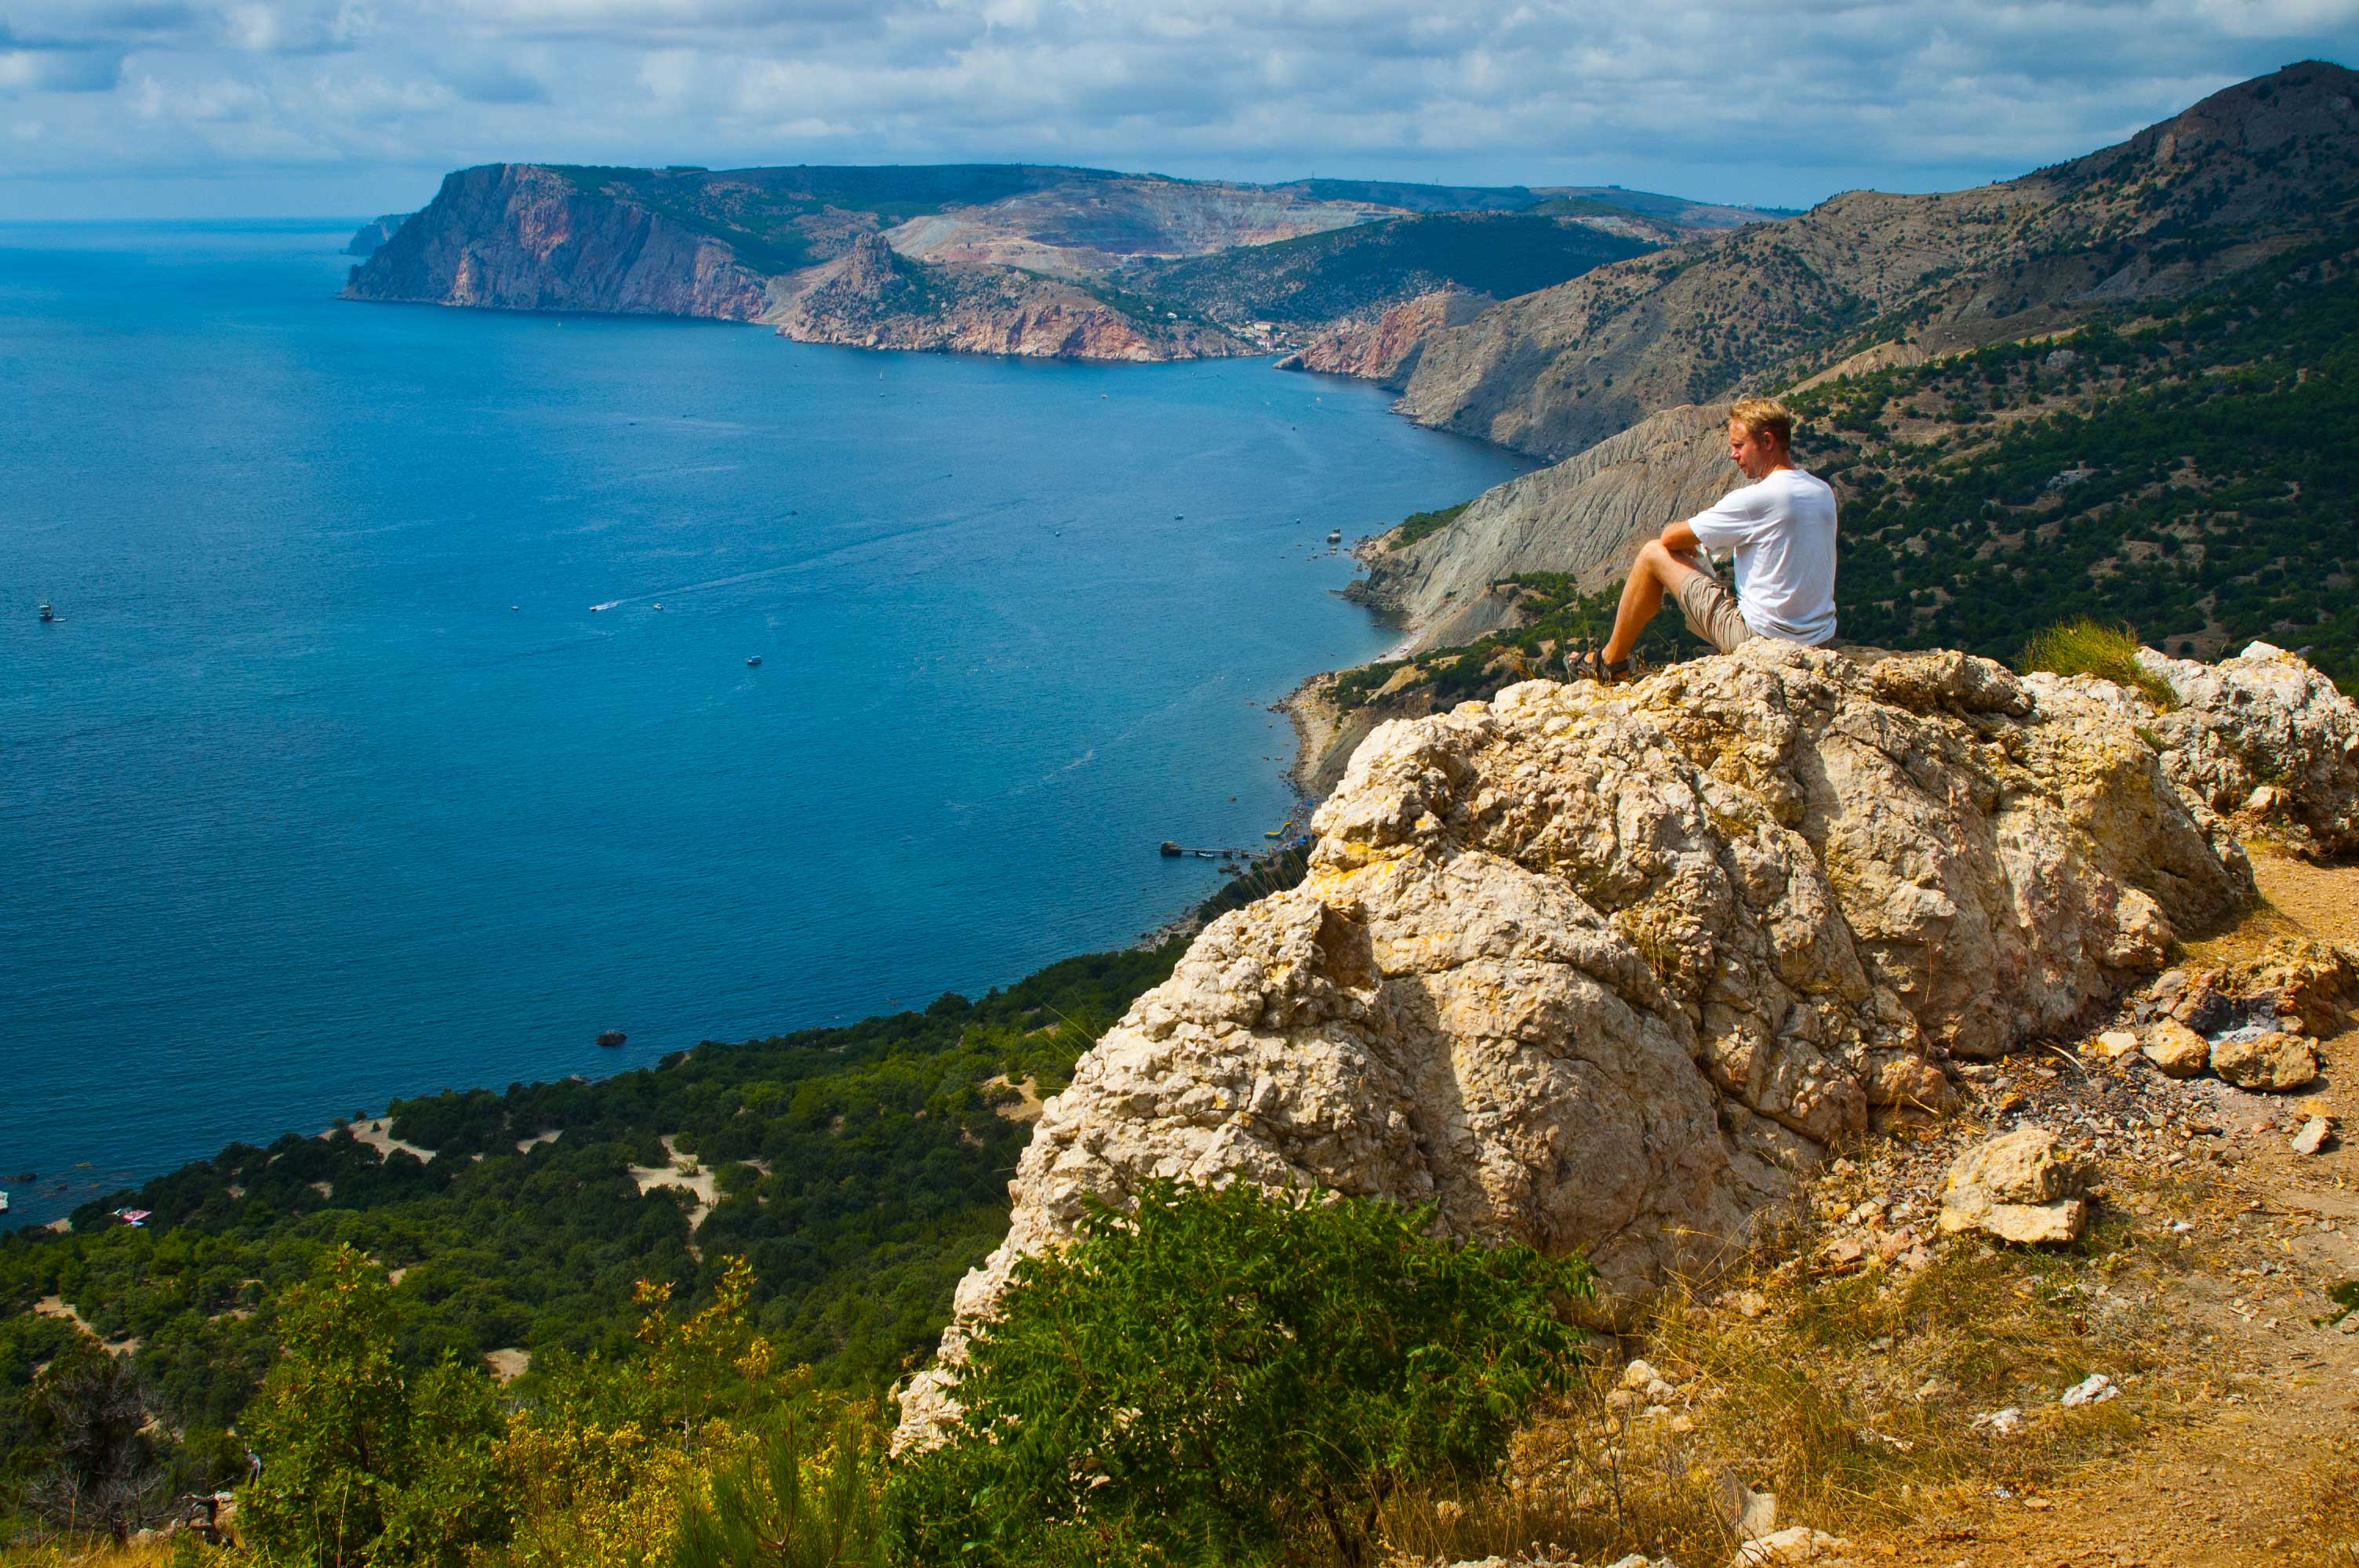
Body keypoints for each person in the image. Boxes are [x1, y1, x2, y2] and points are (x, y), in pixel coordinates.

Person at [1568, 396, 1837, 682]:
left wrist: (1691, 548)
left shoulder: (1759, 498)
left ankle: (1609, 662)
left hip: (1761, 641)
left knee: (1651, 553)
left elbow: (1670, 537)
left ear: (1768, 441)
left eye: (1738, 445)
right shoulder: (1822, 491)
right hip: (1819, 641)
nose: (1733, 455)